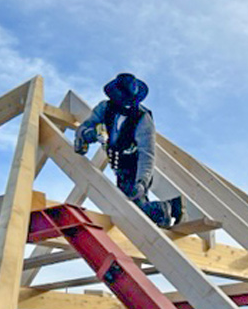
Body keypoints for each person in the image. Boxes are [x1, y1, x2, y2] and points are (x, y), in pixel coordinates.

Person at [74, 73, 182, 228]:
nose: (126, 105)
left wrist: (142, 183)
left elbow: (147, 154)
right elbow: (85, 126)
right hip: (119, 167)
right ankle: (171, 208)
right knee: (131, 210)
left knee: (132, 212)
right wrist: (87, 134)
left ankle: (166, 208)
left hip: (135, 168)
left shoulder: (143, 119)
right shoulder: (105, 108)